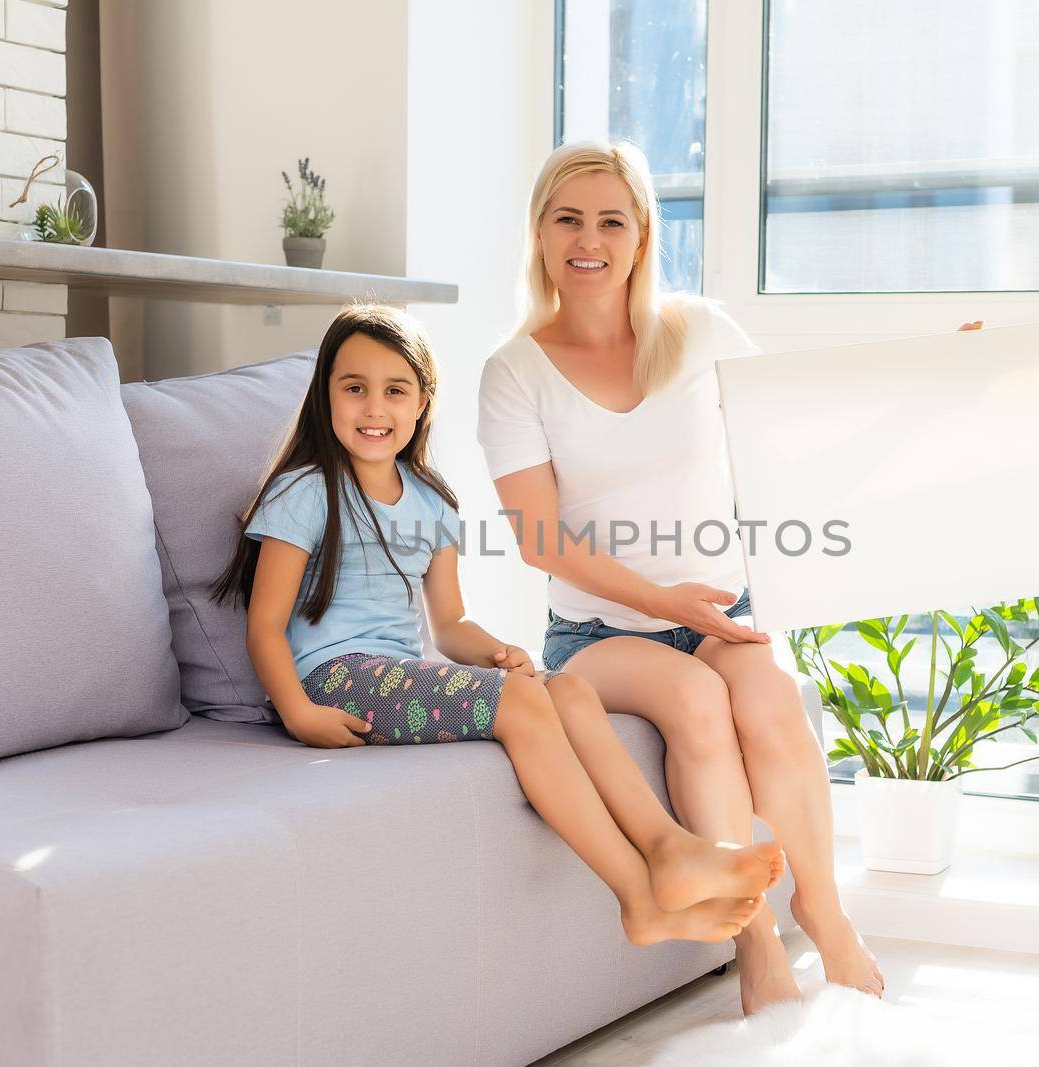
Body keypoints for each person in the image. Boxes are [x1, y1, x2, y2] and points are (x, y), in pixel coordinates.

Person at [478, 140, 981, 1013]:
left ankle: (825, 917)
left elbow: (799, 431)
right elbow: (538, 538)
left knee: (773, 701)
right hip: (601, 637)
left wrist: (930, 379)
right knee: (699, 702)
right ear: (540, 234)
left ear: (641, 237)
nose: (588, 239)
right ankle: (753, 946)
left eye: (611, 220)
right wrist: (665, 604)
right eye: (568, 219)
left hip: (726, 613)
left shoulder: (701, 332)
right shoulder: (513, 372)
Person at [212, 302, 784, 946]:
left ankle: (669, 847)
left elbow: (449, 623)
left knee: (566, 689)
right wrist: (296, 711)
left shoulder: (432, 502)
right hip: (333, 682)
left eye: (395, 390)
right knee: (522, 704)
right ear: (326, 396)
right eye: (354, 389)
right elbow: (265, 625)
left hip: (397, 673)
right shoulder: (305, 490)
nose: (375, 409)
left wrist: (496, 650)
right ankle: (638, 898)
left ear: (423, 402)